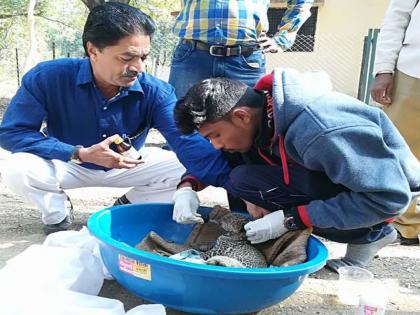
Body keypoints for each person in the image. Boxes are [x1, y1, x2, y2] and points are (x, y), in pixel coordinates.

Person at [0, 2, 231, 235]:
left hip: (128, 164)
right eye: (127, 57)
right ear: (93, 51)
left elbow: (188, 143)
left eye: (143, 57)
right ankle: (57, 214)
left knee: (185, 166)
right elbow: (12, 132)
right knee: (19, 168)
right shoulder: (48, 77)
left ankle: (125, 209)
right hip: (67, 162)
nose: (138, 67)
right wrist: (78, 153)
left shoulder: (157, 92)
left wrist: (244, 189)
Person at [173, 70, 420, 271]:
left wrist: (290, 219)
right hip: (339, 183)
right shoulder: (260, 113)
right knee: (242, 178)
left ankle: (372, 235)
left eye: (215, 135)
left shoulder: (321, 130)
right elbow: (219, 158)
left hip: (382, 199)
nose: (216, 144)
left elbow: (388, 198)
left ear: (241, 116)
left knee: (245, 180)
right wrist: (188, 185)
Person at [168, 0, 314, 99]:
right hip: (192, 55)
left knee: (245, 133)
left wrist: (282, 38)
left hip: (245, 60)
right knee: (183, 129)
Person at [370, 0, 420, 245]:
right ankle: (403, 225)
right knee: (400, 153)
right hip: (414, 72)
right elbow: (396, 19)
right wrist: (384, 70)